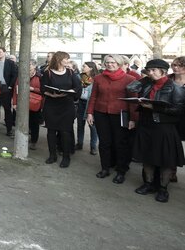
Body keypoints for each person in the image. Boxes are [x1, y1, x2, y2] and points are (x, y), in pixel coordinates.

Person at [128, 59, 185, 203]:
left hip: (164, 127)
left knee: (165, 160)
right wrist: (146, 78)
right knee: (147, 157)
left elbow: (178, 110)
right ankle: (148, 184)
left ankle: (163, 189)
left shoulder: (175, 87)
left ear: (163, 72)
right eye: (148, 70)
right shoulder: (147, 82)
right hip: (146, 125)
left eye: (153, 70)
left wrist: (154, 108)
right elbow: (131, 87)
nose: (150, 72)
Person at [87, 54, 137, 182]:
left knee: (120, 143)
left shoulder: (129, 79)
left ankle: (121, 171)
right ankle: (105, 168)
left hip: (120, 115)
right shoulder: (98, 78)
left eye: (113, 62)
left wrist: (133, 119)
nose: (110, 64)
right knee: (104, 142)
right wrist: (90, 113)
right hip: (101, 113)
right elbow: (93, 96)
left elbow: (133, 101)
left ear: (119, 63)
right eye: (107, 62)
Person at [41, 51, 82, 168]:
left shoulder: (70, 72)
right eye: (66, 59)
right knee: (51, 132)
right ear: (59, 60)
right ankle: (52, 155)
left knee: (65, 132)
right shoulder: (47, 73)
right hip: (51, 105)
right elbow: (42, 88)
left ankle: (66, 156)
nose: (67, 61)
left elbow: (77, 87)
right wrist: (51, 94)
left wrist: (71, 92)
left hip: (66, 105)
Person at [12, 60, 42, 150]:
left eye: (30, 65)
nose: (28, 66)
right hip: (22, 102)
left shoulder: (40, 77)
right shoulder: (21, 75)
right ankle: (23, 137)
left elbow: (43, 90)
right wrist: (14, 102)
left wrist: (33, 89)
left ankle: (33, 141)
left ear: (35, 66)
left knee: (34, 123)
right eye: (27, 64)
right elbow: (15, 89)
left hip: (35, 104)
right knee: (23, 121)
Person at [0, 47, 18, 136]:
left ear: (4, 53)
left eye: (0, 52)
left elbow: (15, 75)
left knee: (7, 109)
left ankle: (9, 129)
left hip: (6, 88)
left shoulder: (11, 63)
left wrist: (10, 86)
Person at [77, 61, 100, 155]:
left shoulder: (97, 78)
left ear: (90, 68)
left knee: (92, 126)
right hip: (80, 102)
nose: (82, 67)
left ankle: (93, 146)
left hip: (90, 103)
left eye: (84, 66)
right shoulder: (79, 77)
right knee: (80, 124)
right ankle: (79, 143)